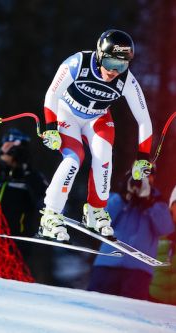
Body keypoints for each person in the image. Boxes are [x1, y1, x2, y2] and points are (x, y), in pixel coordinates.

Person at [36, 29, 153, 242]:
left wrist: (143, 158)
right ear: (99, 55)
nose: (114, 72)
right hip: (67, 113)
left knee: (104, 156)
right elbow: (52, 93)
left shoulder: (127, 81)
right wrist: (51, 126)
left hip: (97, 118)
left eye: (122, 65)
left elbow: (144, 119)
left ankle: (95, 211)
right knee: (74, 159)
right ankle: (51, 215)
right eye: (110, 64)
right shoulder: (77, 63)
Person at [87, 169, 173, 300]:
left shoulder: (159, 204)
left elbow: (166, 228)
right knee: (95, 305)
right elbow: (100, 220)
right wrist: (123, 197)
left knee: (129, 314)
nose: (143, 179)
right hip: (107, 264)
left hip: (138, 270)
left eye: (148, 175)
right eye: (139, 174)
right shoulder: (116, 198)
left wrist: (149, 204)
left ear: (153, 179)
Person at [0, 128, 54, 284]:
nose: (14, 153)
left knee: (12, 280)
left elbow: (45, 199)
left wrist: (26, 171)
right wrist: (2, 163)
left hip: (18, 239)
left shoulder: (32, 175)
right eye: (10, 148)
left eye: (17, 149)